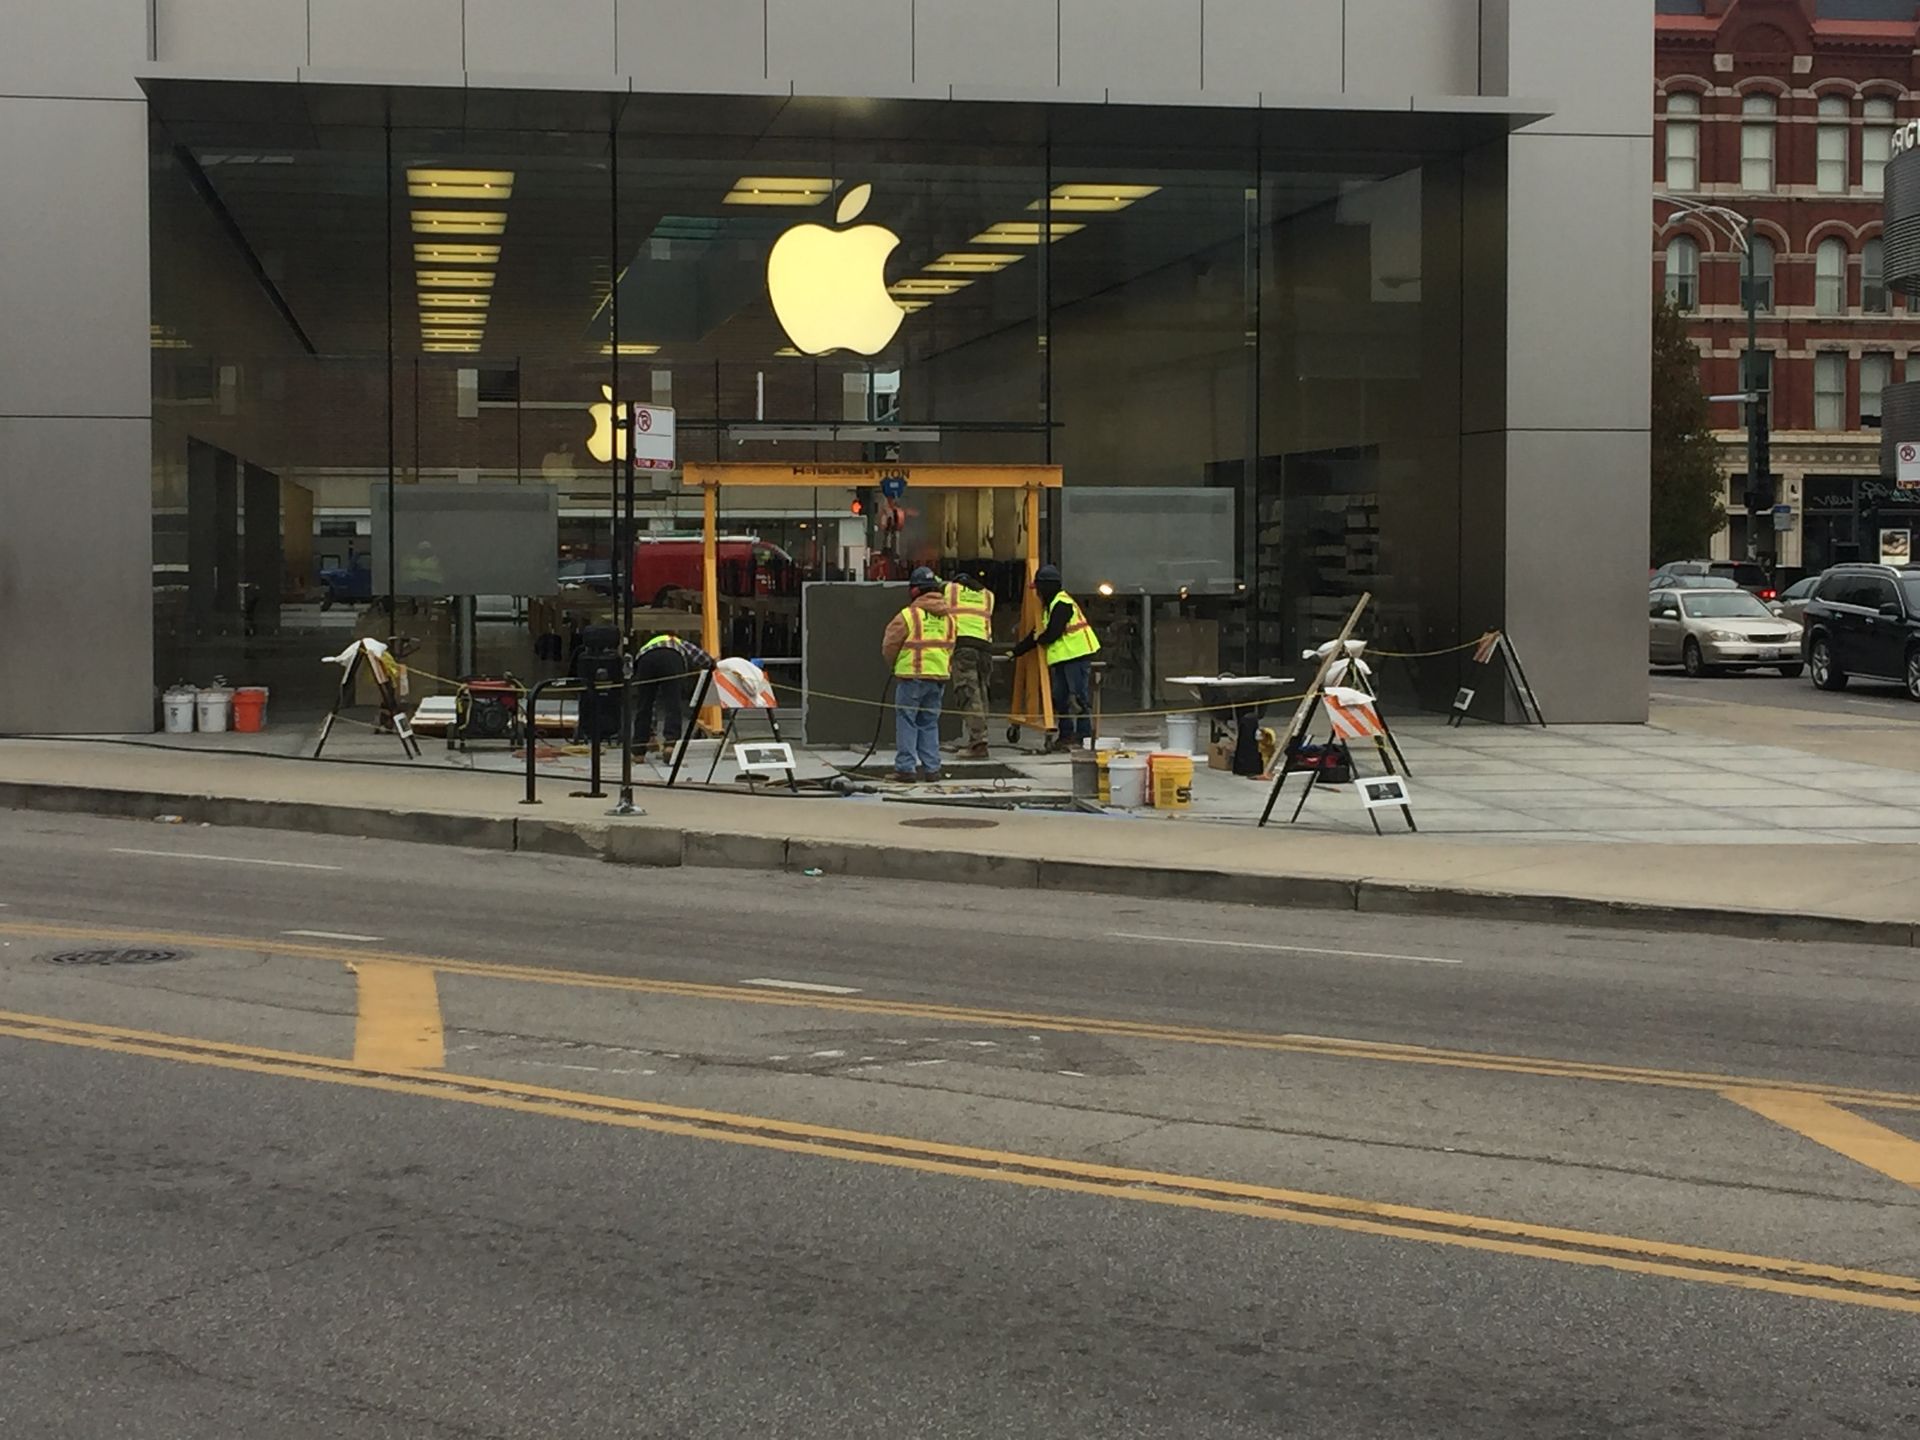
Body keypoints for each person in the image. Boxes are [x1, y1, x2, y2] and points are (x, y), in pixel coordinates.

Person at [1012, 563, 1100, 752]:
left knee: (1078, 698)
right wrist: (1017, 651)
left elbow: (1051, 633)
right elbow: (1037, 634)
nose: (1037, 594)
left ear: (1045, 587)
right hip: (1064, 658)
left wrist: (1038, 639)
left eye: (1039, 589)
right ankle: (1066, 736)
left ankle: (1082, 737)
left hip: (1076, 655)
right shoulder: (1049, 608)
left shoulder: (1062, 604)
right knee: (1061, 699)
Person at [880, 566, 954, 782]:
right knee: (929, 723)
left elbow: (890, 645)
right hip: (938, 678)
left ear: (914, 591)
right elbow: (950, 645)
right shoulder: (948, 618)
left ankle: (906, 769)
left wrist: (896, 665)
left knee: (907, 721)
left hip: (912, 677)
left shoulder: (909, 615)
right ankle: (932, 769)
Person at [630, 631, 715, 756]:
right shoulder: (675, 641)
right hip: (671, 659)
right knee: (673, 703)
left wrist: (651, 733)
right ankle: (670, 744)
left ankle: (639, 751)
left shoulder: (646, 647)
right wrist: (713, 664)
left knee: (645, 704)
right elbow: (702, 658)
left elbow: (651, 706)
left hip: (645, 661)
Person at [942, 571, 996, 760]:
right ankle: (981, 737)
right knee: (981, 693)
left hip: (964, 647)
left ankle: (977, 743)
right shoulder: (988, 595)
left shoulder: (951, 590)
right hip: (985, 648)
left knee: (968, 694)